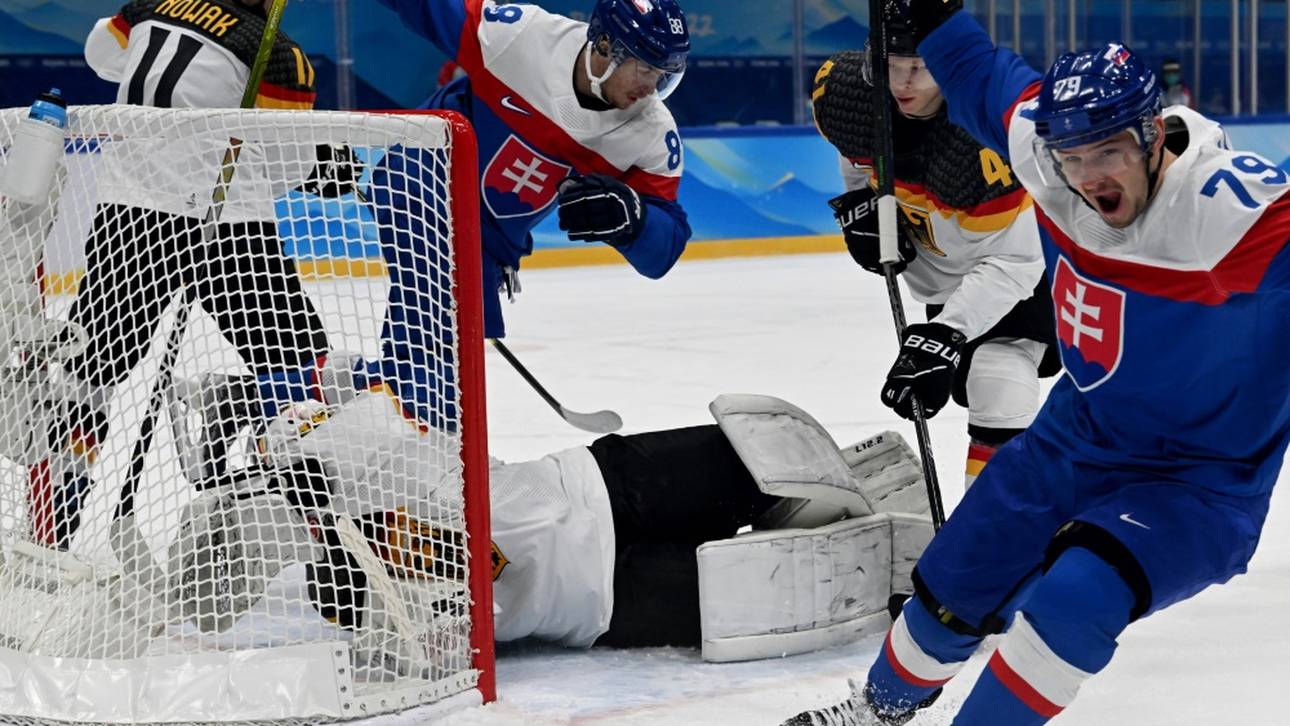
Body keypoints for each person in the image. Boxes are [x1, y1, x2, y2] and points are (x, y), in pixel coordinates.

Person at [786, 2, 1290, 724]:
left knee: (1077, 595)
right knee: (955, 576)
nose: (1086, 176)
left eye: (1108, 152)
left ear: (1152, 134)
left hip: (1200, 479)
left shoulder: (1232, 212)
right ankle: (879, 709)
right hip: (1074, 436)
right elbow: (973, 65)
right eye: (1071, 157)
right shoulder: (1042, 147)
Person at [173, 385, 933, 655]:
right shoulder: (349, 598)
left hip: (606, 484)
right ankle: (927, 565)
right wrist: (373, 565)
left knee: (777, 464)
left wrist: (303, 458)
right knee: (810, 581)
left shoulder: (361, 442)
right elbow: (464, 601)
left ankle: (904, 500)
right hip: (606, 604)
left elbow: (372, 419)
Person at [235, 0, 695, 429]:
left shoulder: (650, 134)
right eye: (643, 68)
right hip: (421, 185)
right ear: (605, 47)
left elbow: (663, 250)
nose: (650, 87)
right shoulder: (522, 38)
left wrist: (635, 220)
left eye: (663, 74)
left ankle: (244, 399)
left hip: (486, 241)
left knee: (423, 382)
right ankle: (407, 469)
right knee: (430, 394)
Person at [27, 0, 349, 549]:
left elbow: (100, 54)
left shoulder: (150, 7)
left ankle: (48, 530)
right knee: (297, 362)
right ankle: (335, 537)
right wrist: (324, 165)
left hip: (126, 215)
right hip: (228, 227)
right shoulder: (278, 55)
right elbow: (284, 159)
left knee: (91, 373)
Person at [812, 20, 1059, 489]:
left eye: (919, 69)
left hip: (1027, 266)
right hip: (947, 271)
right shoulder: (853, 99)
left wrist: (946, 333)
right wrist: (859, 201)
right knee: (981, 372)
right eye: (892, 67)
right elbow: (857, 151)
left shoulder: (984, 141)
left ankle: (995, 523)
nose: (903, 83)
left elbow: (1016, 263)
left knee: (998, 375)